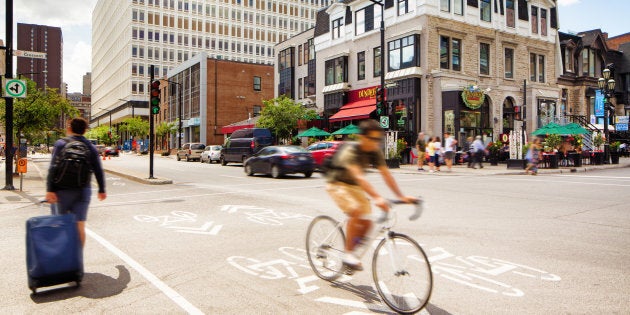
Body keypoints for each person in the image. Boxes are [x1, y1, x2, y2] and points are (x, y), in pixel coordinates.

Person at [325, 119, 417, 270]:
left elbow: (387, 175)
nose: (376, 143)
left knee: (367, 221)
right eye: (372, 139)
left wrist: (401, 196)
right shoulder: (351, 151)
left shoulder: (374, 151)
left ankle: (353, 253)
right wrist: (378, 198)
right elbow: (360, 178)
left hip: (354, 186)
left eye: (378, 140)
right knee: (356, 210)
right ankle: (348, 254)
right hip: (336, 183)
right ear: (362, 137)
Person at [46, 117, 107, 247]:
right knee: (80, 225)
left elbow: (53, 168)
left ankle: (62, 258)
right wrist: (101, 189)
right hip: (82, 190)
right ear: (85, 131)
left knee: (59, 224)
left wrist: (50, 190)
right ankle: (76, 260)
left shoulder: (61, 144)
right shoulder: (90, 147)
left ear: (69, 128)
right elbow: (98, 169)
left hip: (61, 190)